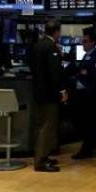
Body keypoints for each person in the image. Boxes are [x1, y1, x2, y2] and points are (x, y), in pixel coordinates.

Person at [29, 20, 67, 173]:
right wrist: (62, 90)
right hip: (49, 95)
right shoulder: (51, 47)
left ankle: (42, 156)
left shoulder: (37, 45)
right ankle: (40, 161)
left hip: (38, 93)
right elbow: (55, 73)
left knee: (40, 126)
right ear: (56, 32)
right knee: (47, 127)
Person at [71, 28, 96, 160]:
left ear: (92, 43)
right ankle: (87, 147)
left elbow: (95, 79)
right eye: (82, 41)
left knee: (90, 125)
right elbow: (82, 73)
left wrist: (82, 75)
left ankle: (87, 149)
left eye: (85, 41)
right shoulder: (87, 56)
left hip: (92, 98)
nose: (83, 44)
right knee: (85, 124)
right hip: (84, 97)